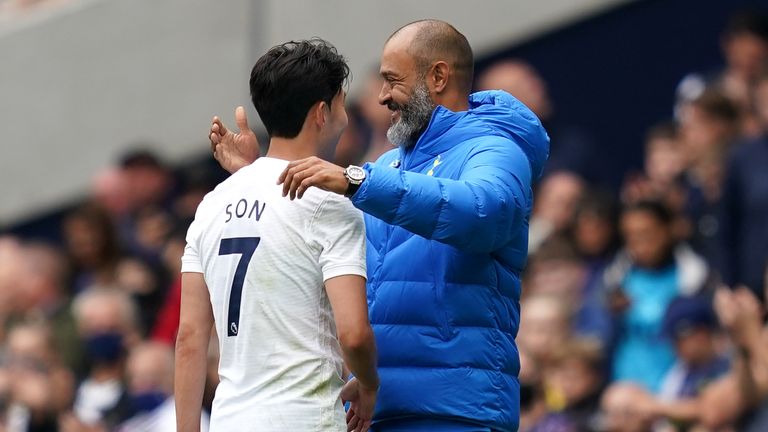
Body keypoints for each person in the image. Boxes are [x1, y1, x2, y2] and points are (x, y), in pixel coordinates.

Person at [210, 19, 549, 432]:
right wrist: (255, 176)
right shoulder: (387, 167)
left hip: (457, 412)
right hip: (378, 411)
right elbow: (316, 240)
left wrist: (358, 181)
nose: (383, 96)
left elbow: (484, 215)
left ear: (438, 76)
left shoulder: (495, 148)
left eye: (392, 80)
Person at [176, 39, 379, 432]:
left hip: (230, 421)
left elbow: (189, 339)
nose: (345, 117)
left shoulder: (211, 204)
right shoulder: (329, 203)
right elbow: (353, 334)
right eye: (341, 105)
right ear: (322, 113)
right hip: (306, 417)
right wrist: (369, 384)